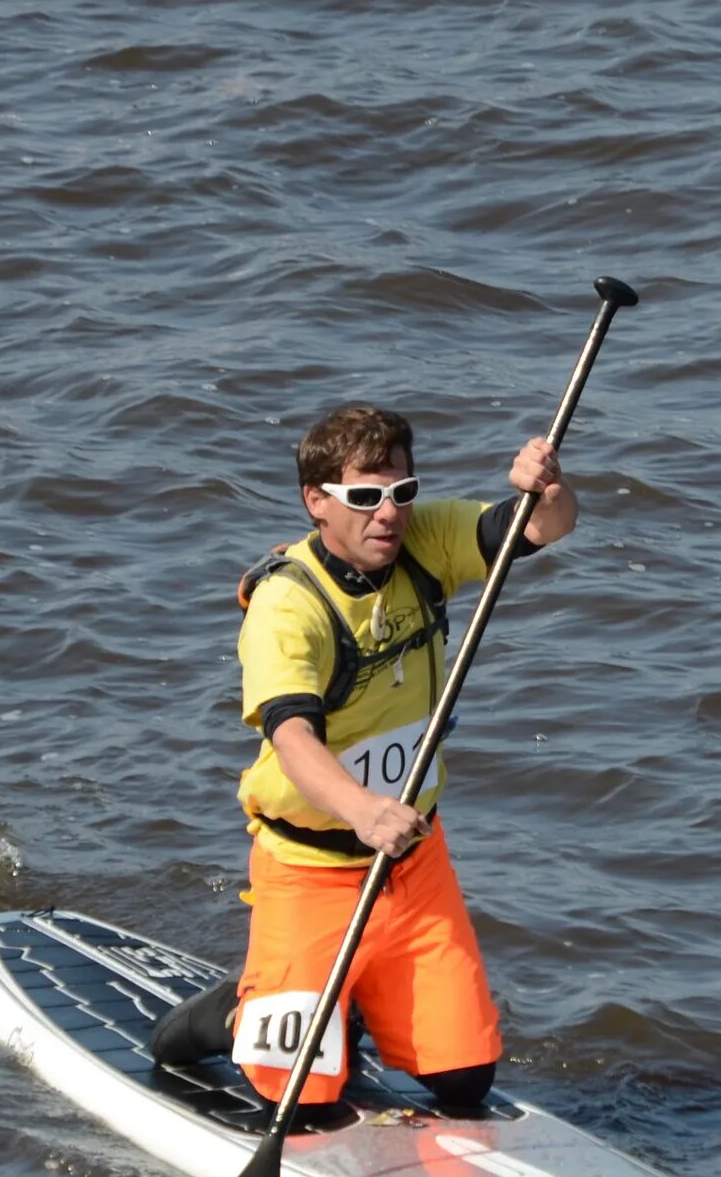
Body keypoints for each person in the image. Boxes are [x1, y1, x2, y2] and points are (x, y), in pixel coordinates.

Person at [151, 403, 577, 1117]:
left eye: (402, 492)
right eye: (365, 496)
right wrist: (362, 810)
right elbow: (292, 741)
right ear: (316, 501)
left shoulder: (427, 540)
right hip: (312, 868)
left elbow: (542, 526)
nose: (390, 515)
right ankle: (236, 1011)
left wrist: (550, 488)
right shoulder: (288, 606)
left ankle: (351, 1002)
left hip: (413, 861)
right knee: (301, 1096)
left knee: (466, 1078)